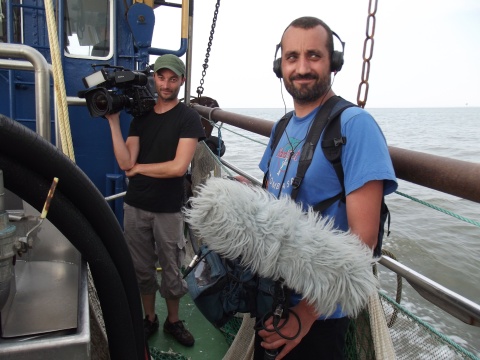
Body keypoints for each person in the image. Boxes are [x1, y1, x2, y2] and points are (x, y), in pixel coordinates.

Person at [255, 17, 398, 359]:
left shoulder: (355, 126)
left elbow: (363, 241)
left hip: (316, 316)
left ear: (333, 63)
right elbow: (273, 193)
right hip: (269, 298)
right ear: (280, 66)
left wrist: (304, 315)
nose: (301, 67)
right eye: (292, 57)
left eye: (314, 56)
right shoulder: (282, 127)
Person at [105, 54, 205, 347]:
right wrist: (112, 122)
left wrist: (140, 170)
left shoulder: (187, 117)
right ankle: (150, 317)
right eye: (161, 77)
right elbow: (126, 161)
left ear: (181, 81)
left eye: (173, 78)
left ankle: (173, 320)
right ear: (154, 79)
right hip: (135, 205)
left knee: (172, 267)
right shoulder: (141, 116)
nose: (166, 84)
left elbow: (177, 167)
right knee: (141, 268)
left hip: (168, 209)